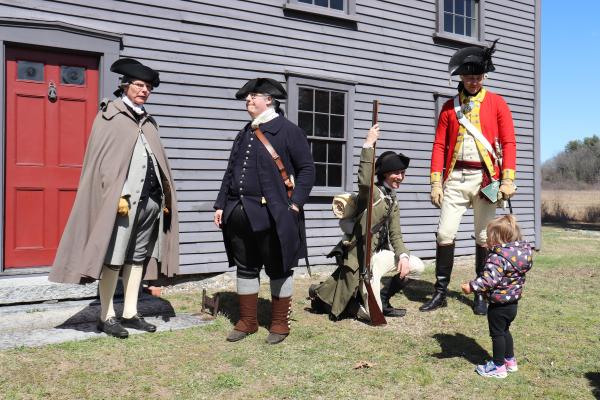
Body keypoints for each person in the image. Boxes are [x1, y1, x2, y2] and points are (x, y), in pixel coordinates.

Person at [49, 58, 179, 338]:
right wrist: (114, 194)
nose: (145, 91)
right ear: (126, 85)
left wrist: (163, 201)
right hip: (122, 205)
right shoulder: (110, 116)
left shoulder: (148, 120)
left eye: (148, 88)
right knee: (114, 258)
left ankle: (130, 312)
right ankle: (106, 316)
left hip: (151, 204)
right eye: (140, 86)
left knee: (137, 258)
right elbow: (102, 165)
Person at [213, 77, 315, 344]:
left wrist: (295, 205)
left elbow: (307, 170)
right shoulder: (246, 131)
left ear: (269, 100)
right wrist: (222, 204)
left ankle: (279, 323)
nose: (248, 100)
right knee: (245, 267)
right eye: (247, 97)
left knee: (279, 267)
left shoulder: (288, 130)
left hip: (274, 214)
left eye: (253, 96)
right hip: (239, 212)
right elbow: (231, 170)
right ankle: (247, 321)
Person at [420, 40, 517, 315]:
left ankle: (482, 293)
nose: (474, 82)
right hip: (456, 177)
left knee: (485, 237)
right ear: (460, 77)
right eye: (469, 77)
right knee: (444, 233)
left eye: (478, 77)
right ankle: (440, 292)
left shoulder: (497, 103)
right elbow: (439, 145)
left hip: (487, 179)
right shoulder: (450, 108)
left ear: (483, 76)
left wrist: (508, 178)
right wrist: (436, 182)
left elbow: (509, 142)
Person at [308, 124, 424, 322]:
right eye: (396, 172)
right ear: (385, 173)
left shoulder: (392, 199)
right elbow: (364, 179)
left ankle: (384, 299)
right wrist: (368, 144)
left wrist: (403, 256)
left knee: (417, 266)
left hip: (380, 255)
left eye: (403, 173)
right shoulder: (372, 193)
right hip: (363, 258)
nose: (400, 177)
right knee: (372, 315)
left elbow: (396, 234)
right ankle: (349, 304)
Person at [461, 214, 533, 378]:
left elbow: (488, 280)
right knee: (505, 331)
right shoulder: (519, 254)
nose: (487, 239)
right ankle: (510, 361)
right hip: (512, 303)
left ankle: (498, 367)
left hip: (498, 305)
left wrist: (471, 286)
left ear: (498, 239)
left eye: (490, 236)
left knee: (497, 334)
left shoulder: (497, 257)